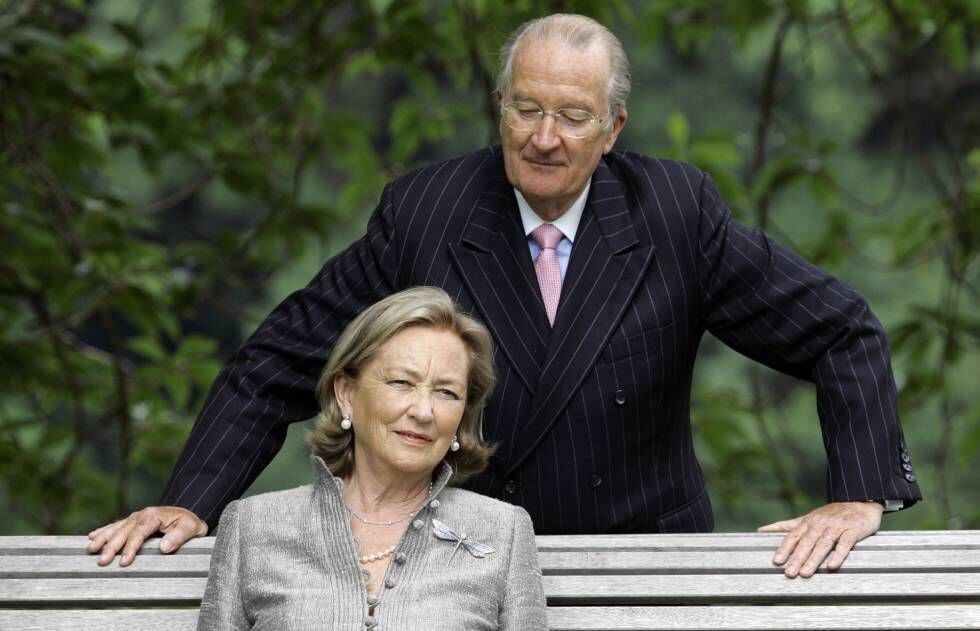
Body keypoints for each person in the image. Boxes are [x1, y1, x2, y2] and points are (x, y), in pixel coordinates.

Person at [89, 13, 921, 579]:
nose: (544, 137)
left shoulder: (674, 211)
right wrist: (191, 499)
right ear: (500, 106)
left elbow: (840, 329)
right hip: (459, 571)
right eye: (526, 108)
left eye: (571, 115)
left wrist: (858, 490)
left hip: (647, 570)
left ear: (614, 128)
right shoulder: (425, 213)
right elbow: (275, 359)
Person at [196, 287, 547, 629]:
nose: (424, 411)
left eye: (446, 392)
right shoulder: (252, 526)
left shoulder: (504, 531)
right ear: (347, 393)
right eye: (401, 383)